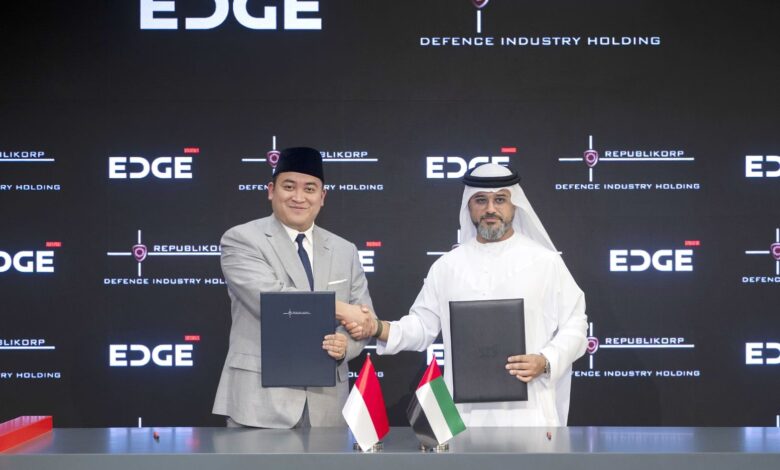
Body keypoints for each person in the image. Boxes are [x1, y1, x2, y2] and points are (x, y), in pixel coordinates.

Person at [343, 163, 587, 426]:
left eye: (500, 200)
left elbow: (575, 324)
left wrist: (546, 360)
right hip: (462, 416)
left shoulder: (545, 262)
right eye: (480, 200)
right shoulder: (447, 266)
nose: (490, 209)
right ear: (468, 206)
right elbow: (422, 327)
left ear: (514, 205)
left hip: (529, 413)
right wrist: (377, 328)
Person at [212, 146, 374, 428]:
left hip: (327, 405)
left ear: (322, 197)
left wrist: (344, 345)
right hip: (260, 402)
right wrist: (342, 310)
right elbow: (271, 301)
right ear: (271, 191)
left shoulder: (344, 250)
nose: (299, 197)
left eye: (310, 189)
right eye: (289, 187)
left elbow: (364, 316)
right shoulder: (241, 239)